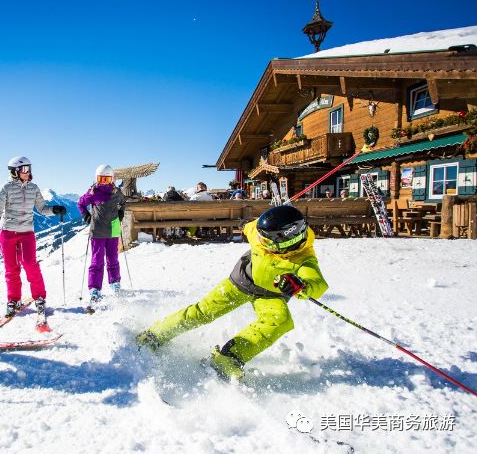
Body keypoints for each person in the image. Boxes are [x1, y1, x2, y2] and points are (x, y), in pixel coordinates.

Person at [137, 205, 328, 383]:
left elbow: (317, 283)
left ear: (288, 240)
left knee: (279, 321)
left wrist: (301, 287)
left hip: (271, 295)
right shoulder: (260, 234)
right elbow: (251, 228)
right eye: (261, 238)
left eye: (267, 242)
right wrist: (244, 225)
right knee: (204, 311)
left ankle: (229, 358)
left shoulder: (304, 258)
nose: (261, 242)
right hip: (241, 282)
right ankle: (155, 334)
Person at [0, 156, 67, 322]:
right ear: (15, 172)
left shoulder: (34, 188)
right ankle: (13, 300)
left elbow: (42, 208)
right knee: (11, 267)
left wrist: (54, 209)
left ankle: (39, 297)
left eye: (29, 168)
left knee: (30, 264)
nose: (28, 172)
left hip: (26, 232)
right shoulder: (6, 188)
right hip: (7, 232)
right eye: (24, 169)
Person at [78, 164, 126, 304]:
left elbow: (123, 202)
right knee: (97, 260)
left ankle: (115, 283)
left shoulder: (116, 192)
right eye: (101, 179)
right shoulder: (93, 192)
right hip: (98, 231)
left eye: (107, 179)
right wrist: (86, 216)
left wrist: (121, 213)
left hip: (113, 230)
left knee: (113, 258)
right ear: (96, 178)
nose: (103, 182)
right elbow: (80, 203)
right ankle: (94, 289)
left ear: (112, 179)